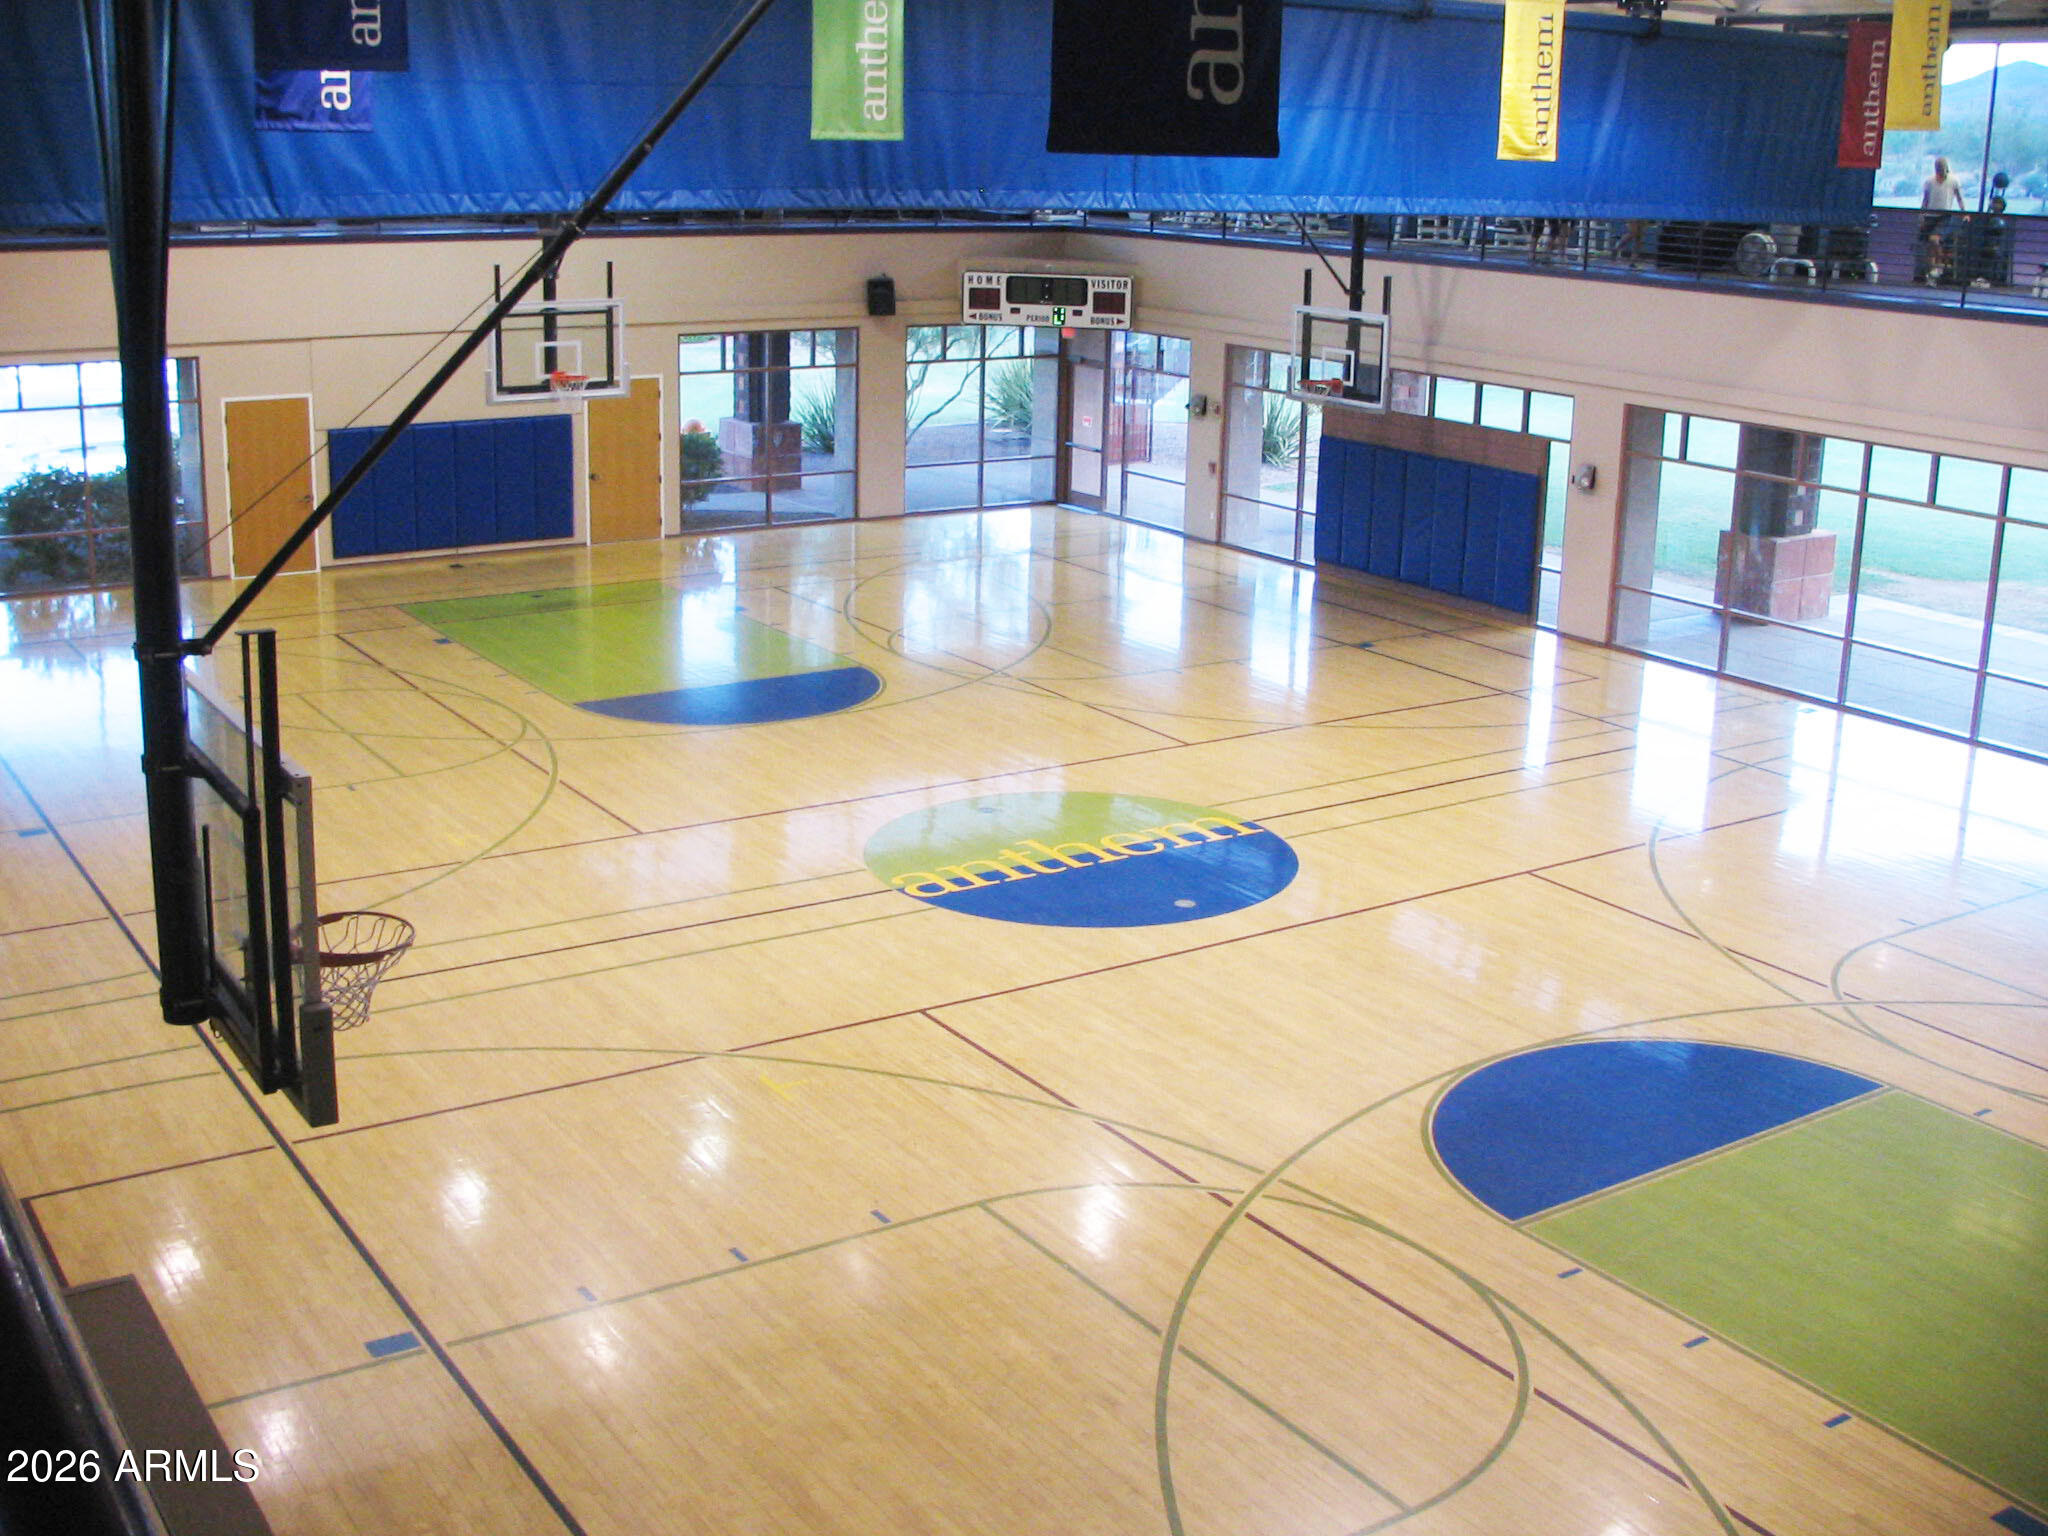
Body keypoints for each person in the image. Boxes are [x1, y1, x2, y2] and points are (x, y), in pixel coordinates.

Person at [1918, 157, 1966, 283]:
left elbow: (1959, 197)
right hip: (1930, 215)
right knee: (1930, 247)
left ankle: (1940, 264)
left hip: (1944, 216)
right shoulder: (1929, 181)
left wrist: (1964, 212)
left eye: (1942, 167)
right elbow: (1925, 200)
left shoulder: (1953, 180)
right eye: (1938, 167)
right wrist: (1922, 215)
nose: (1940, 170)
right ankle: (1932, 274)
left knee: (1934, 239)